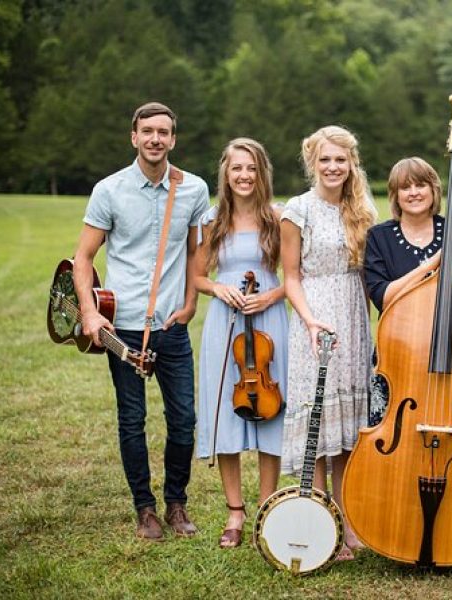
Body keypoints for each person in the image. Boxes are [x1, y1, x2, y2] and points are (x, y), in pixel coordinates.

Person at [73, 102, 209, 541]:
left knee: (184, 419)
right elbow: (83, 258)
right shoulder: (109, 190)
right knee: (131, 419)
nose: (155, 139)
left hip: (171, 326)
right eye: (147, 131)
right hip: (123, 326)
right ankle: (144, 508)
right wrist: (91, 312)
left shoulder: (194, 190)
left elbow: (195, 254)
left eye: (163, 132)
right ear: (134, 136)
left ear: (173, 139)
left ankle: (176, 502)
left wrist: (189, 305)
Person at [279, 125, 375, 560]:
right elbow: (291, 276)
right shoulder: (296, 211)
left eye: (341, 159)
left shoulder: (362, 209)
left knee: (349, 432)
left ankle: (350, 523)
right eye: (325, 160)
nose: (333, 167)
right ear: (312, 163)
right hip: (314, 318)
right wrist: (310, 320)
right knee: (319, 429)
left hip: (354, 317)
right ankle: (324, 523)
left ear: (351, 163)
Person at [193, 138, 288, 548]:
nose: (244, 175)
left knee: (273, 410)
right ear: (226, 174)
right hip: (226, 325)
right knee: (225, 416)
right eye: (237, 168)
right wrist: (217, 288)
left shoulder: (278, 217)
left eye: (251, 168)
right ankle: (235, 512)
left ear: (261, 172)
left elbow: (297, 278)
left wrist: (270, 294)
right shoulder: (212, 220)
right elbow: (196, 277)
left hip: (269, 323)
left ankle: (267, 506)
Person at [363, 156, 452, 425]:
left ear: (433, 190)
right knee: (392, 426)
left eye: (421, 185)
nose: (414, 193)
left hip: (449, 350)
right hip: (397, 349)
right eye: (405, 187)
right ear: (395, 195)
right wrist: (432, 265)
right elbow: (382, 297)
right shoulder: (379, 237)